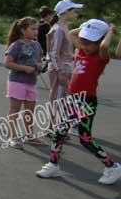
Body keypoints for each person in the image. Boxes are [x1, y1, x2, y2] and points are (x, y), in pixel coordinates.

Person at [37, 20, 120, 185]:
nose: (85, 46)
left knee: (85, 138)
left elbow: (104, 47)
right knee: (60, 131)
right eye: (84, 42)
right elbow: (72, 34)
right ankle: (53, 164)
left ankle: (112, 166)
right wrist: (86, 27)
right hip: (73, 99)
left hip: (86, 101)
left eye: (90, 43)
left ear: (99, 42)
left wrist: (110, 30)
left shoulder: (100, 57)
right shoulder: (81, 51)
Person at [4, 17, 44, 149]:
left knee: (30, 111)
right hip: (17, 82)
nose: (36, 31)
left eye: (37, 29)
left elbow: (39, 61)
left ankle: (29, 135)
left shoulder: (37, 45)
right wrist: (24, 68)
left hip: (31, 82)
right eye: (33, 29)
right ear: (22, 30)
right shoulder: (16, 45)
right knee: (15, 110)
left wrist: (39, 66)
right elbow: (8, 63)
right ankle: (12, 136)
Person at [47, 0, 82, 132]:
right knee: (57, 97)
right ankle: (52, 127)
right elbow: (53, 53)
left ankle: (57, 125)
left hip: (65, 67)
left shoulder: (64, 27)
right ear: (66, 12)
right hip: (59, 68)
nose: (75, 14)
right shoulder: (58, 29)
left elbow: (63, 51)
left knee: (62, 98)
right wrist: (60, 71)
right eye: (74, 11)